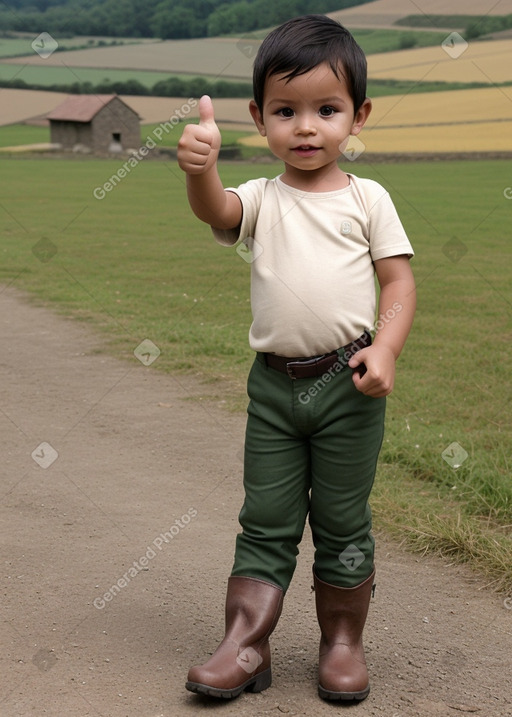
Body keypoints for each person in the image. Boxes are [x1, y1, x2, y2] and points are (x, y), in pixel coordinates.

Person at [177, 13, 416, 703]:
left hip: (349, 385)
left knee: (343, 518)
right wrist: (204, 168)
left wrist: (387, 348)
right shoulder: (261, 197)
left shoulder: (369, 199)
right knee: (267, 517)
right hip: (274, 391)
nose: (306, 127)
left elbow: (398, 283)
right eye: (286, 111)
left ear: (358, 115)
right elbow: (217, 211)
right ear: (259, 117)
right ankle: (245, 643)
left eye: (326, 110)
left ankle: (342, 640)